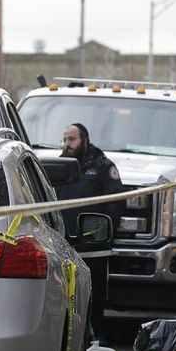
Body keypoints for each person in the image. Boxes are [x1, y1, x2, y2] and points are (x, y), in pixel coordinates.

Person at [56, 122, 124, 339]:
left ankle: (97, 336)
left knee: (94, 294)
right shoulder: (61, 166)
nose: (67, 144)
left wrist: (102, 232)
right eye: (65, 140)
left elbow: (116, 202)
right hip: (64, 244)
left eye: (72, 139)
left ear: (85, 140)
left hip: (94, 248)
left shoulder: (103, 167)